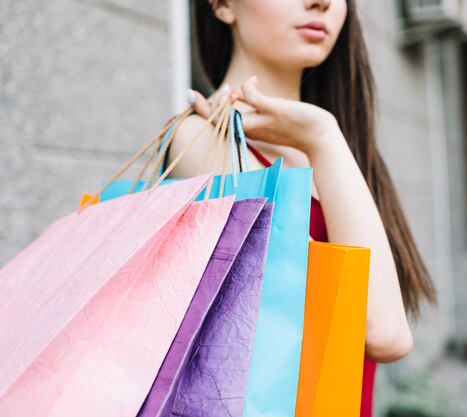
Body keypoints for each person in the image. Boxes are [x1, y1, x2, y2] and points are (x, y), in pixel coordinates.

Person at [167, 0, 437, 415]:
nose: (322, 2)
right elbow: (384, 333)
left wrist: (324, 139)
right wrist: (323, 137)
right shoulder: (201, 142)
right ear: (222, 5)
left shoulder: (337, 149)